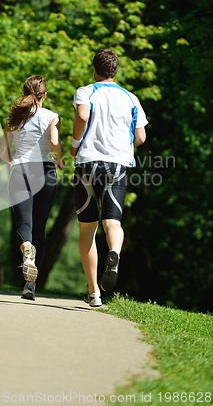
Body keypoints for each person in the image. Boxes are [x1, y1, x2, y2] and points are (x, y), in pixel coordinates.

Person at [70, 49, 148, 307]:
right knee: (113, 223)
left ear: (94, 70)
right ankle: (113, 253)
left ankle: (94, 293)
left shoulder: (86, 91)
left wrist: (74, 144)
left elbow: (82, 115)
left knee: (87, 229)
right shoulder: (131, 98)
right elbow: (141, 137)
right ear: (115, 71)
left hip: (88, 164)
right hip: (118, 166)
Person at [0, 75, 64, 301]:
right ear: (44, 95)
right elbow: (55, 142)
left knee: (24, 223)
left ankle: (26, 249)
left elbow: (2, 152)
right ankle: (30, 285)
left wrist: (14, 165)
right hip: (45, 172)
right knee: (40, 227)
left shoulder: (14, 117)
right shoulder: (51, 116)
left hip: (20, 170)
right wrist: (60, 160)